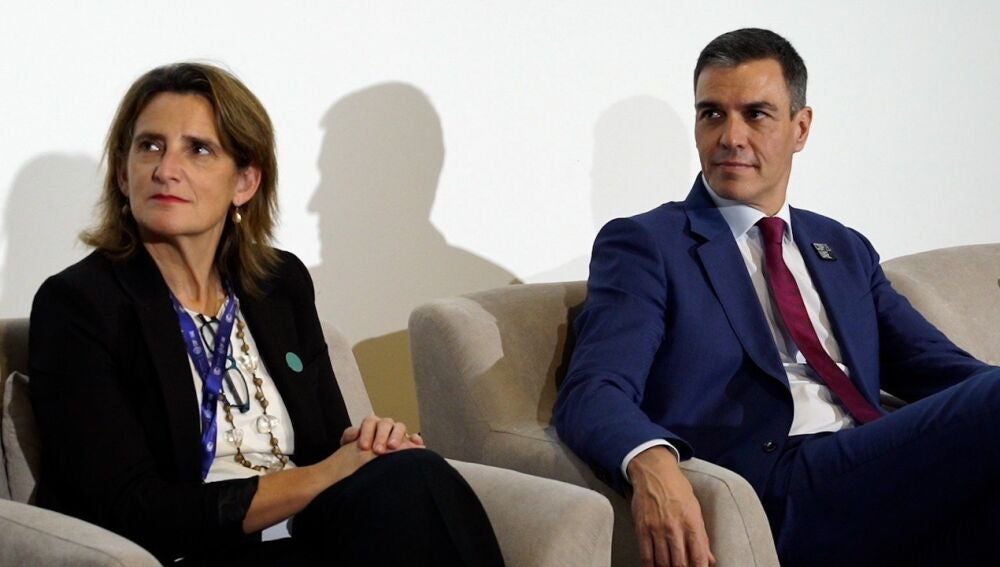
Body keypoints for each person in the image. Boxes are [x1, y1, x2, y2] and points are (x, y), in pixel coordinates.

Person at [554, 28, 1000, 567]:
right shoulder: (649, 244)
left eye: (756, 115)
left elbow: (939, 368)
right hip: (777, 484)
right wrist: (650, 461)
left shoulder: (841, 246)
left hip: (874, 465)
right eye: (712, 114)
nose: (730, 137)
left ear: (800, 127)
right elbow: (594, 388)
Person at [28, 62, 504, 566]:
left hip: (310, 533)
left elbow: (328, 441)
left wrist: (367, 444)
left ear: (245, 181)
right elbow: (133, 509)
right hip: (195, 551)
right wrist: (327, 474)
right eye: (149, 146)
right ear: (123, 174)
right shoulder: (80, 306)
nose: (166, 169)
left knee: (414, 471)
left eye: (198, 149)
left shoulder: (279, 284)